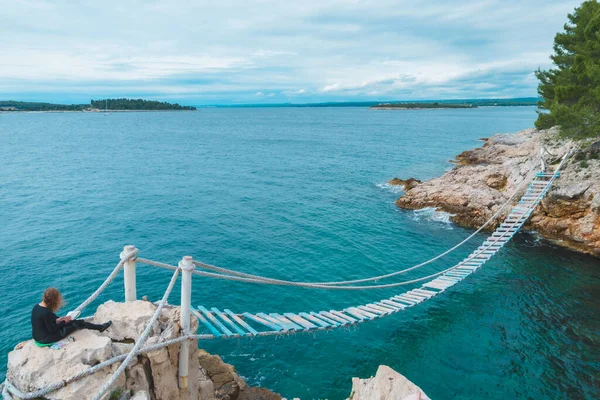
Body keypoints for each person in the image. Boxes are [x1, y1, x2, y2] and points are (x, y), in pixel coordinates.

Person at [31, 287, 112, 345]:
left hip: (37, 337)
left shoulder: (37, 306)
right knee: (76, 324)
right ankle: (101, 327)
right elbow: (52, 329)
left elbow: (44, 322)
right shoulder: (46, 312)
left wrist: (58, 320)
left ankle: (100, 327)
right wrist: (64, 321)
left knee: (71, 322)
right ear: (53, 300)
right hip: (45, 339)